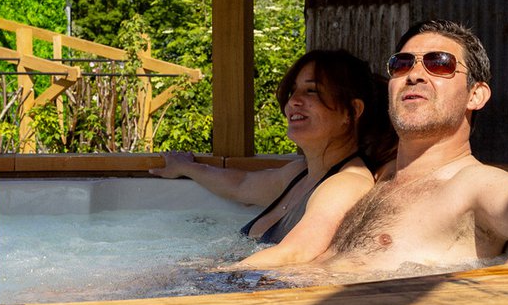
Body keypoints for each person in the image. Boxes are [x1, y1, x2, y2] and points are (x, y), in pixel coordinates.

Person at [318, 20, 508, 272]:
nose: (414, 74)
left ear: (475, 95)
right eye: (402, 64)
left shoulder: (472, 184)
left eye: (439, 63)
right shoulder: (377, 176)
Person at [150, 49, 394, 267]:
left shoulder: (346, 183)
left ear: (352, 111)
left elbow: (296, 254)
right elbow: (240, 184)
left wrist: (206, 277)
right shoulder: (299, 173)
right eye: (293, 91)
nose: (293, 101)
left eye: (311, 91)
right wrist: (186, 167)